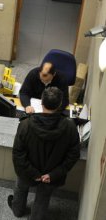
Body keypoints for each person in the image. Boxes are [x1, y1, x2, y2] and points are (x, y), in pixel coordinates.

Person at [8, 87, 80, 220]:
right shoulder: (70, 127)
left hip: (27, 172)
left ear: (41, 102)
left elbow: (18, 154)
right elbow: (74, 155)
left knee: (20, 189)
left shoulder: (25, 125)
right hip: (51, 176)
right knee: (43, 199)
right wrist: (53, 174)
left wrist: (33, 173)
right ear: (60, 105)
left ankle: (18, 210)